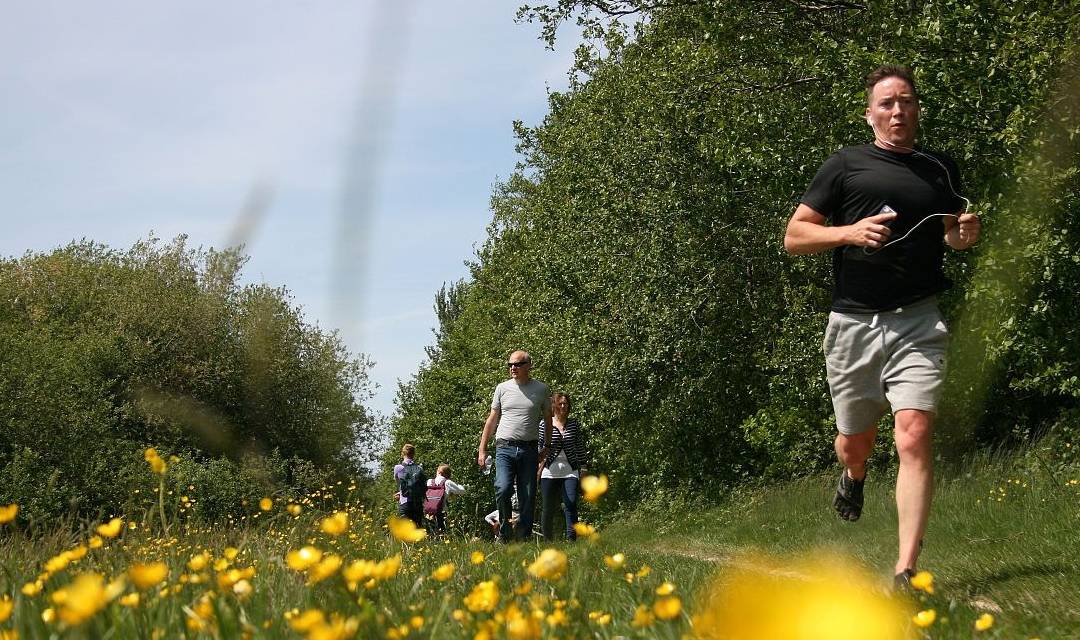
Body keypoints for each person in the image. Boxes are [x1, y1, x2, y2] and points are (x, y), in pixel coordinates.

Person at [783, 64, 980, 587]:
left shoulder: (940, 168)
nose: (898, 111)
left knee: (914, 433)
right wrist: (849, 232)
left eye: (907, 102)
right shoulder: (846, 165)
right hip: (853, 322)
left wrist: (964, 234)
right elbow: (795, 236)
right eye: (887, 103)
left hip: (918, 319)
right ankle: (853, 475)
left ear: (917, 110)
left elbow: (951, 238)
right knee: (856, 441)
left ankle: (905, 570)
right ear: (870, 114)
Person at [477, 350, 552, 542]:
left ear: (528, 366)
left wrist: (547, 446)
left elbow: (547, 419)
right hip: (504, 448)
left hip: (529, 449)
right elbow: (492, 420)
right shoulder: (502, 388)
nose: (512, 368)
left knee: (528, 495)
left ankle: (524, 536)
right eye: (510, 364)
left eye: (517, 364)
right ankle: (504, 532)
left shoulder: (541, 389)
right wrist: (482, 449)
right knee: (503, 488)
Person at [538, 391, 587, 541]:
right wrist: (537, 468)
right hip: (549, 471)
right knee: (548, 508)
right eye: (560, 403)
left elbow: (579, 446)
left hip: (570, 471)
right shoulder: (544, 424)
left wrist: (584, 468)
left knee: (570, 503)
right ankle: (547, 540)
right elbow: (538, 447)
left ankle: (571, 539)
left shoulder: (574, 424)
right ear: (554, 406)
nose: (563, 406)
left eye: (566, 403)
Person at [426, 464, 466, 533]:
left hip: (429, 511)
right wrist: (457, 485)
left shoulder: (429, 481)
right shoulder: (447, 482)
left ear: (439, 472)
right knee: (442, 532)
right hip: (442, 510)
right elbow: (462, 491)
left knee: (431, 532)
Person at [392, 444, 426, 527]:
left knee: (406, 531)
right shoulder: (419, 467)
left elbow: (399, 483)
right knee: (417, 529)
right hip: (418, 502)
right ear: (414, 454)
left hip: (405, 502)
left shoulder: (398, 468)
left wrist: (400, 493)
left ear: (402, 453)